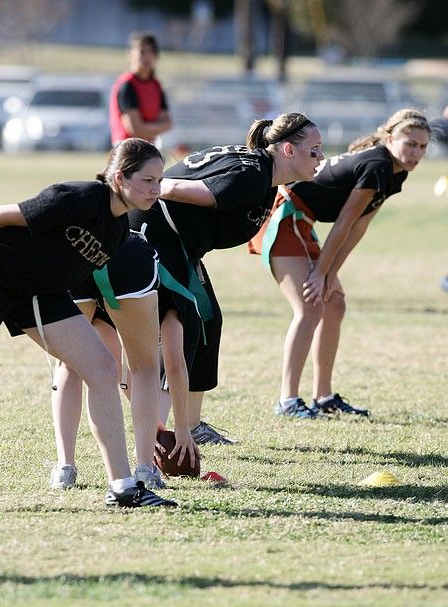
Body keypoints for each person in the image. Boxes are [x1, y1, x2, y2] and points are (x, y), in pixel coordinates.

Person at [0, 137, 177, 509]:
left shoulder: (119, 229)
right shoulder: (80, 196)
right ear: (120, 177)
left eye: (160, 180)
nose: (157, 189)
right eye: (148, 180)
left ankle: (123, 487)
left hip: (39, 293)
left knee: (103, 367)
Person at [128, 112, 324, 443]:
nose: (320, 158)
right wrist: (129, 192)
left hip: (178, 243)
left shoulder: (263, 173)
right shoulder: (253, 176)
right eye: (314, 150)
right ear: (288, 150)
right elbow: (173, 186)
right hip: (155, 233)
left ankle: (191, 426)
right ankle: (157, 434)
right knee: (187, 323)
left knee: (208, 321)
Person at [248, 109, 431, 418]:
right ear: (389, 139)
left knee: (334, 304)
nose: (416, 152)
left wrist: (330, 273)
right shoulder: (377, 164)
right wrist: (320, 273)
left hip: (302, 222)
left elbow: (360, 225)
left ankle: (323, 396)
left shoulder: (396, 171)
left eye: (423, 147)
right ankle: (287, 401)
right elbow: (344, 223)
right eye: (410, 143)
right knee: (310, 306)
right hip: (284, 215)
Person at [50, 234, 201, 490]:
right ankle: (145, 470)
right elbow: (173, 367)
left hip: (76, 252)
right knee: (145, 366)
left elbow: (113, 369)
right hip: (130, 260)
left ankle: (65, 469)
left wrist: (152, 421)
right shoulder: (178, 302)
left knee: (70, 364)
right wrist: (183, 428)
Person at [109, 32, 172, 147]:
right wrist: (155, 128)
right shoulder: (127, 85)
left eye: (151, 52)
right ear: (130, 54)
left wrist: (145, 128)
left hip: (150, 147)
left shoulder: (156, 85)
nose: (147, 57)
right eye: (142, 52)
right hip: (128, 149)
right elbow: (134, 129)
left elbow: (167, 123)